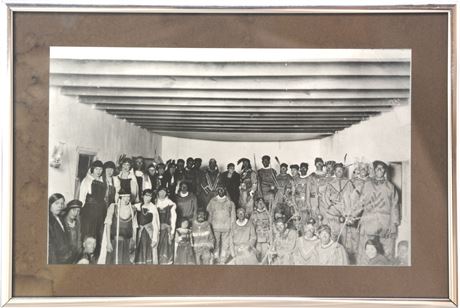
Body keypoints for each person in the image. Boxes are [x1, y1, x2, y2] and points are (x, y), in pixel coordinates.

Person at [357, 160, 400, 264]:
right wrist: (352, 215)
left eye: (382, 169)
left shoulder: (390, 187)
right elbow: (360, 203)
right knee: (365, 249)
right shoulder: (366, 184)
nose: (380, 171)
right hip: (368, 221)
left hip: (385, 222)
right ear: (374, 171)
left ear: (384, 171)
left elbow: (394, 206)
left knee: (386, 250)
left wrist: (393, 224)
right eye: (377, 169)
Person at [79, 160, 108, 257]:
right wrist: (80, 210)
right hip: (89, 211)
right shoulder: (86, 180)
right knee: (89, 232)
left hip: (100, 211)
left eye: (101, 169)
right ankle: (86, 255)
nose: (99, 171)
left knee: (98, 233)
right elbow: (82, 197)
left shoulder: (102, 180)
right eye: (97, 169)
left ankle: (96, 256)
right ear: (92, 169)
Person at [322, 163, 354, 243]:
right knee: (333, 235)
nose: (338, 172)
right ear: (334, 172)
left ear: (343, 171)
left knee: (345, 236)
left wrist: (350, 211)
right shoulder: (330, 184)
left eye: (340, 170)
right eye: (336, 170)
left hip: (345, 211)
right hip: (333, 212)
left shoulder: (348, 183)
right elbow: (325, 197)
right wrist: (330, 206)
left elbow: (353, 198)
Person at [103, 189, 137, 264]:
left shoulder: (133, 209)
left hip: (127, 242)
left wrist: (134, 241)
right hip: (115, 241)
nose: (127, 198)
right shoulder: (113, 207)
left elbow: (134, 227)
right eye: (125, 196)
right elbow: (108, 225)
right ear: (120, 197)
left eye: (128, 196)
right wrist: (108, 242)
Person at [206, 186, 236, 264]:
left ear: (225, 190)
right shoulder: (213, 201)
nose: (221, 191)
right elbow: (210, 213)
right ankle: (216, 257)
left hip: (226, 226)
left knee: (225, 243)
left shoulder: (230, 202)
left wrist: (232, 225)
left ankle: (223, 258)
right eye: (219, 190)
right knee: (216, 242)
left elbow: (233, 215)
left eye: (222, 189)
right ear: (217, 191)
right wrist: (209, 224)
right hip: (215, 226)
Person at [134, 189, 160, 264]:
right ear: (143, 196)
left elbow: (156, 224)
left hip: (149, 233)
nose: (147, 198)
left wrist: (155, 238)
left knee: (150, 252)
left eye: (150, 196)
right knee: (139, 251)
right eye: (146, 196)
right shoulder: (138, 206)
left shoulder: (153, 207)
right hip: (140, 233)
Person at [48, 193, 73, 264]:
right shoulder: (48, 220)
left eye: (62, 203)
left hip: (65, 257)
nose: (60, 206)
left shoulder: (60, 218)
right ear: (50, 204)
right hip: (55, 259)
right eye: (57, 203)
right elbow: (51, 247)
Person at [156, 187, 177, 264]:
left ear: (166, 193)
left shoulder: (171, 204)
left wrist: (172, 232)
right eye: (160, 192)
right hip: (157, 230)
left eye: (163, 192)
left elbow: (173, 219)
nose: (162, 194)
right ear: (158, 193)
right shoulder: (155, 203)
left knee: (165, 247)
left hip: (166, 231)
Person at [251, 198, 272, 262]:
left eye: (262, 203)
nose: (260, 204)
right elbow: (251, 227)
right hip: (257, 238)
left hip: (266, 238)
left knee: (264, 256)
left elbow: (270, 225)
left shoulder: (267, 213)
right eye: (259, 203)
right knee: (257, 255)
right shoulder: (254, 213)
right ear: (256, 204)